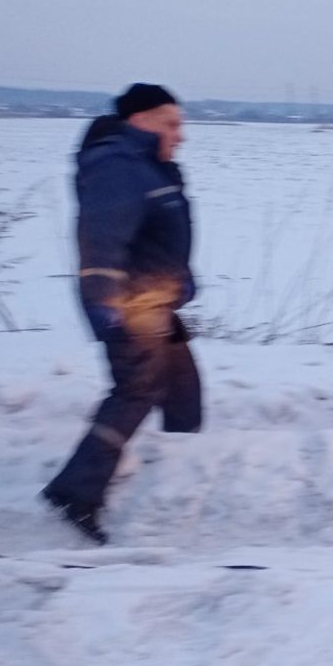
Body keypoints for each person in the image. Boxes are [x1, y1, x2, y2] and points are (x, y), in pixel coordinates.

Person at [41, 83, 200, 544]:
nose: (181, 134)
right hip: (131, 307)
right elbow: (102, 236)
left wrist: (179, 278)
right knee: (137, 390)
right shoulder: (118, 165)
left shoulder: (150, 166)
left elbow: (155, 232)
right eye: (172, 123)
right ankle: (75, 491)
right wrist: (102, 298)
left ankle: (179, 476)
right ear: (140, 121)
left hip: (156, 300)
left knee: (183, 392)